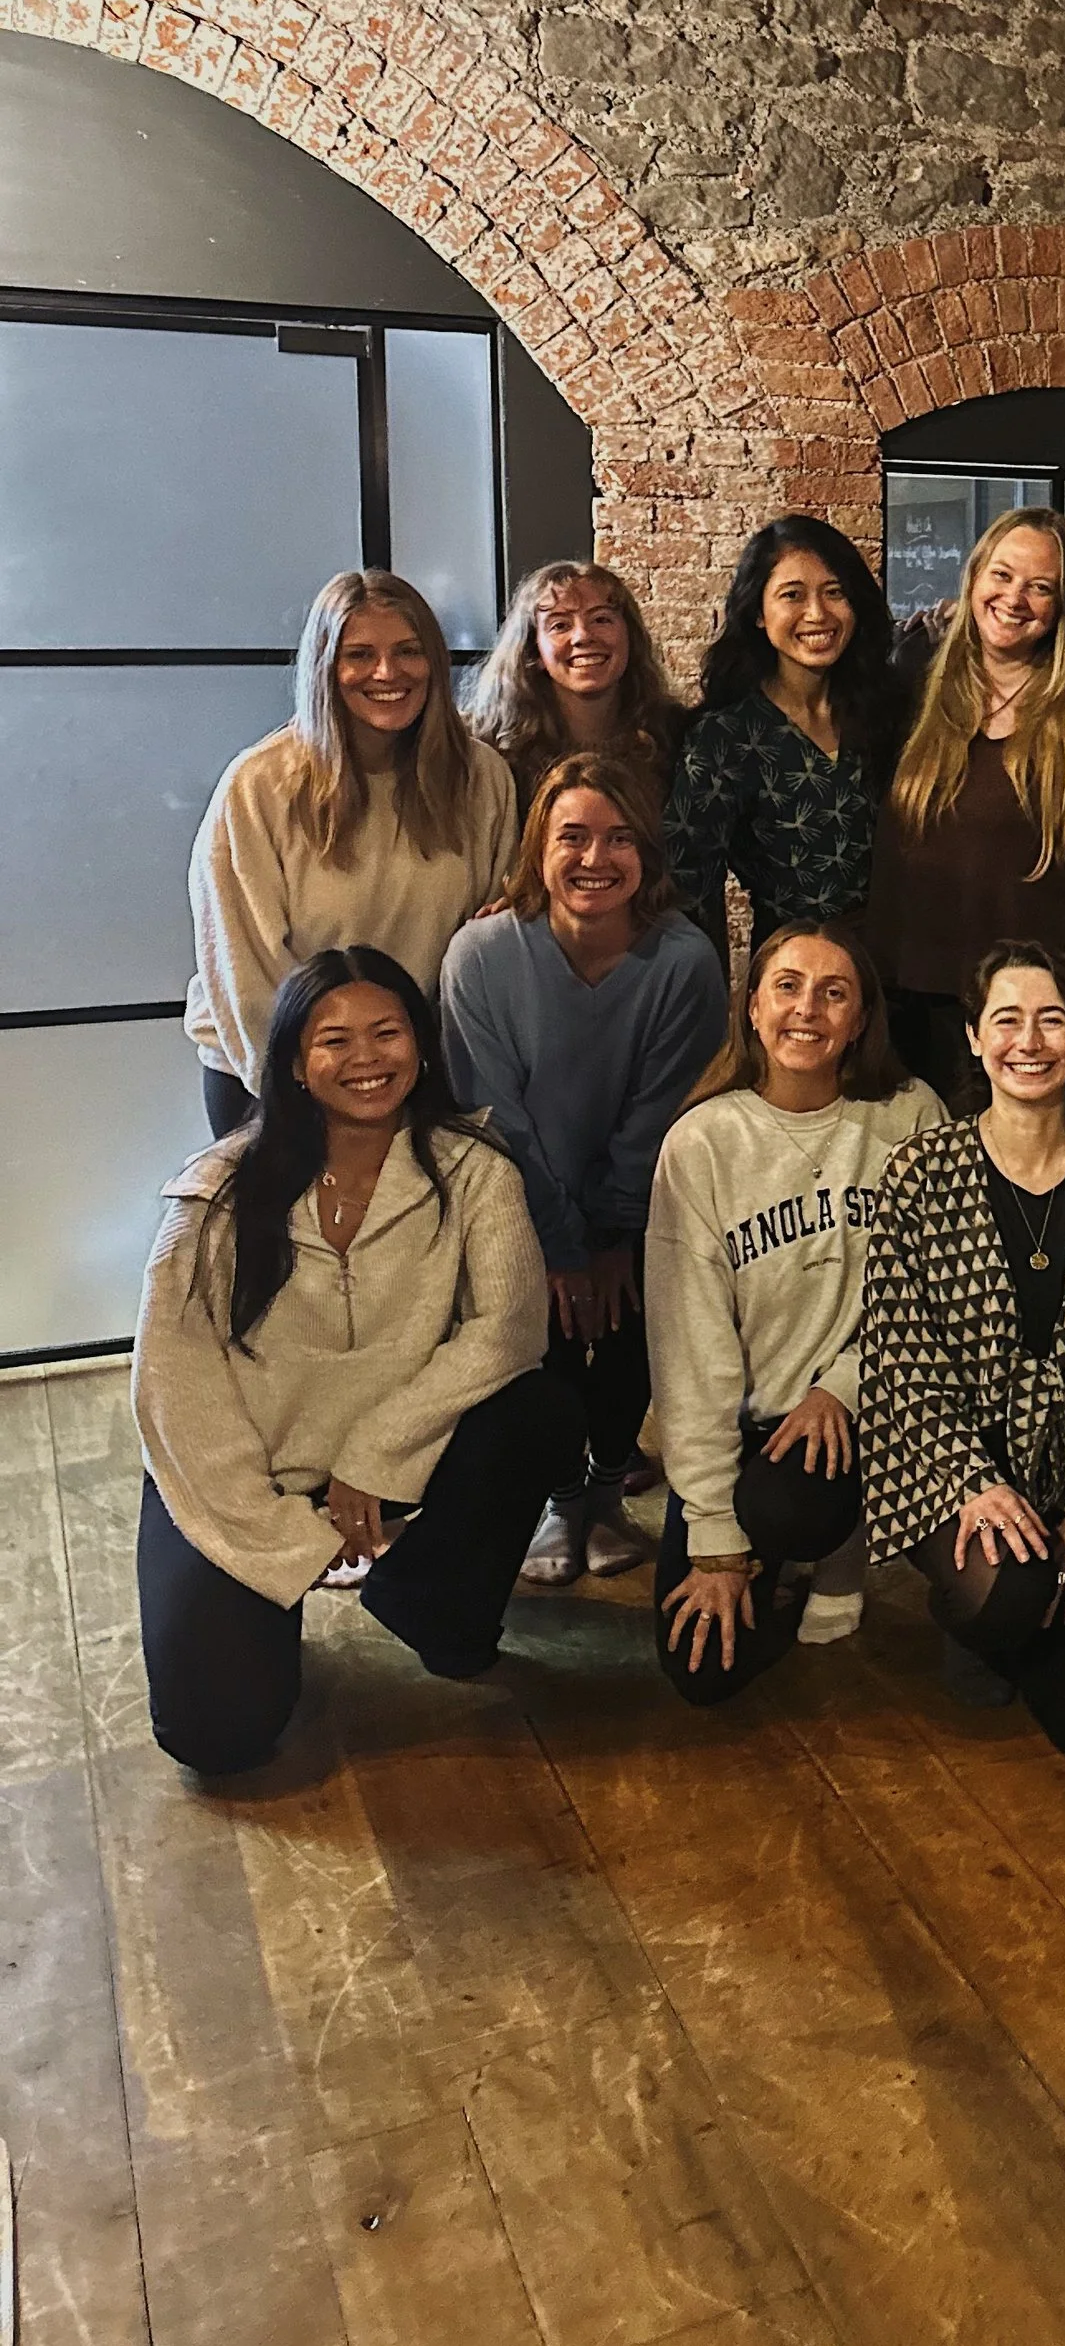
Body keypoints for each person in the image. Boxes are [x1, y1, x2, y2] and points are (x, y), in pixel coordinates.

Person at [131, 948, 579, 1774]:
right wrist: (282, 1541)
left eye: (388, 1032)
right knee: (216, 1736)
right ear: (296, 1064)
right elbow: (174, 1389)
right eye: (335, 1040)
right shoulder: (217, 1193)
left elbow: (509, 1329)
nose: (367, 1058)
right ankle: (265, 1611)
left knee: (541, 1409)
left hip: (394, 1459)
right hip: (250, 1476)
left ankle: (431, 1601)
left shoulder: (474, 1169)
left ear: (422, 1045)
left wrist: (375, 1452)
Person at [857, 943, 1065, 1750]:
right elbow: (900, 1354)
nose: (1029, 1041)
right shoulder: (921, 1170)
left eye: (1052, 1019)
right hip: (950, 1467)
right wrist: (975, 1484)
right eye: (1006, 1019)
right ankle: (979, 1613)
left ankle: (1022, 1613)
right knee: (1010, 1591)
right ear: (972, 1037)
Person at [439, 754, 726, 1586]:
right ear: (537, 848)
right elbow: (494, 1117)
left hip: (642, 1205)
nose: (595, 859)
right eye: (573, 836)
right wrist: (562, 1247)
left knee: (637, 1317)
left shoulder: (684, 961)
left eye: (619, 838)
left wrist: (611, 1239)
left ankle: (603, 1496)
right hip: (515, 1202)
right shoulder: (481, 957)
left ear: (649, 854)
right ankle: (560, 1500)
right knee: (546, 1336)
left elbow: (662, 1112)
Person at [645, 922, 944, 1703]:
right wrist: (713, 1539)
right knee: (700, 1672)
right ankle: (764, 1545)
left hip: (862, 1406)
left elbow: (929, 1294)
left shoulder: (909, 1115)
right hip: (745, 1424)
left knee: (795, 1502)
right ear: (750, 1008)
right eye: (787, 985)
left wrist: (839, 1387)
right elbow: (690, 1352)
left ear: (859, 1019)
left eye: (833, 991)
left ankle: (838, 1548)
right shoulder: (701, 1143)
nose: (806, 1008)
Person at [185, 570, 516, 1131]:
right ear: (324, 668)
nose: (387, 673)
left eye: (408, 651)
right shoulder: (259, 787)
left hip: (412, 1074)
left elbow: (487, 939)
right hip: (273, 1077)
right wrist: (311, 1088)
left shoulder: (480, 777)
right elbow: (245, 972)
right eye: (359, 654)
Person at [863, 510, 1065, 1107]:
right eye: (1002, 575)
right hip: (919, 997)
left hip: (1043, 1009)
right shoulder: (914, 678)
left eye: (1041, 587)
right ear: (974, 576)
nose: (1015, 598)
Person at [665, 516, 905, 963]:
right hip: (794, 972)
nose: (817, 613)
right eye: (792, 595)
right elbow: (689, 891)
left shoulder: (891, 710)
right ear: (758, 612)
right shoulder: (724, 738)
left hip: (902, 968)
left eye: (834, 592)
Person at [465, 557, 685, 815]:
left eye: (601, 619)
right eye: (560, 625)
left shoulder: (677, 737)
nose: (583, 636)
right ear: (534, 653)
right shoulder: (488, 747)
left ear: (630, 638)